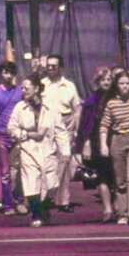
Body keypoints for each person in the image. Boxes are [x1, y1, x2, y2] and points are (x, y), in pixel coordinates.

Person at [8, 75, 59, 227]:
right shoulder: (19, 107)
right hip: (28, 148)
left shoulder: (50, 106)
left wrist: (66, 151)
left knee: (52, 184)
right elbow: (11, 128)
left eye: (26, 88)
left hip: (48, 148)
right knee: (31, 182)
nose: (23, 91)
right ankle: (36, 215)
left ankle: (44, 206)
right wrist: (27, 134)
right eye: (22, 88)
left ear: (36, 88)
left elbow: (60, 129)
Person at [99, 70, 129, 226]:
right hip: (118, 141)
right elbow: (104, 126)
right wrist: (103, 145)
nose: (125, 86)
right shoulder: (112, 103)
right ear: (117, 86)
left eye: (127, 83)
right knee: (120, 181)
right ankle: (122, 212)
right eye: (121, 84)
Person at [41, 55, 82, 213]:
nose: (50, 68)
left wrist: (76, 130)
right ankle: (46, 197)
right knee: (47, 164)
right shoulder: (42, 85)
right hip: (47, 127)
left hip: (66, 126)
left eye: (53, 66)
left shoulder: (69, 86)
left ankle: (63, 201)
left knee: (64, 163)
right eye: (48, 66)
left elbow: (77, 109)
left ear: (60, 68)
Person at [0, 61, 25, 215]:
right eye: (5, 72)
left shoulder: (20, 91)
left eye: (11, 73)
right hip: (2, 135)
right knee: (5, 172)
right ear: (0, 74)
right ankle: (8, 204)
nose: (8, 76)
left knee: (22, 169)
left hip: (18, 135)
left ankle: (20, 200)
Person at [77, 67, 116, 223]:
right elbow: (85, 124)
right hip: (97, 141)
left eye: (108, 79)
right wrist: (85, 143)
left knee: (117, 176)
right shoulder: (92, 100)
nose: (106, 82)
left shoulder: (116, 97)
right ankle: (107, 208)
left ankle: (119, 207)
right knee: (103, 175)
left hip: (116, 139)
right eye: (103, 80)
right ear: (97, 82)